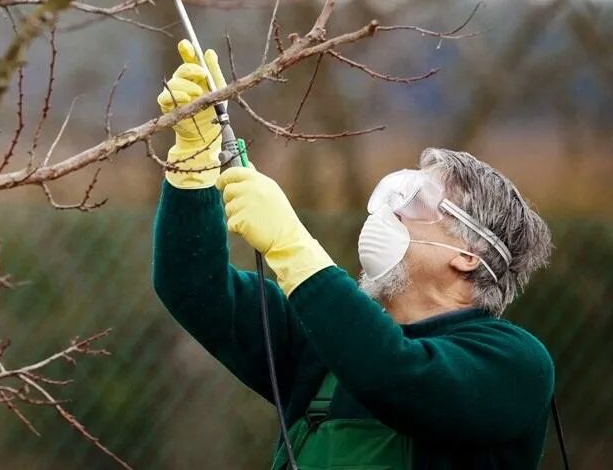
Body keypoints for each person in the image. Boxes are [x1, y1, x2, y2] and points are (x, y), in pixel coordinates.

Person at [152, 40, 555, 470]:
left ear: (469, 254)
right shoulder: (319, 340)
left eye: (414, 202)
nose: (387, 212)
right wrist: (193, 165)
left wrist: (292, 246)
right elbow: (192, 286)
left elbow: (396, 377)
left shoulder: (514, 362)